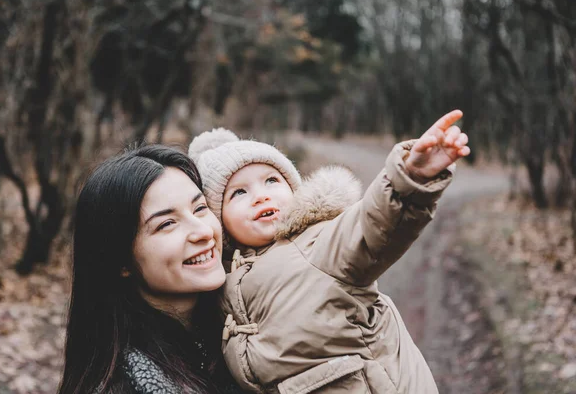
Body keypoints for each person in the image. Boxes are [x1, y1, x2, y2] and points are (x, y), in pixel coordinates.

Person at [188, 110, 470, 393]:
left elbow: (374, 225)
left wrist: (409, 178)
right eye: (239, 192)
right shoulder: (219, 281)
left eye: (272, 180)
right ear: (218, 219)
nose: (261, 195)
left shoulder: (318, 241)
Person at [58, 144, 242, 394]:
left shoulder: (242, 324)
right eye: (167, 223)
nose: (203, 231)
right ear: (121, 260)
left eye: (200, 208)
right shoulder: (128, 385)